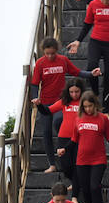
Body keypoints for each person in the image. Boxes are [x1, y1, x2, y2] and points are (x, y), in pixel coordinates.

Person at [31, 37, 83, 174]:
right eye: (47, 53)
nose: (50, 56)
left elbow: (76, 72)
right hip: (46, 101)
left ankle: (66, 153)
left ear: (57, 51)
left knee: (59, 121)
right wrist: (36, 98)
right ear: (43, 52)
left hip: (61, 100)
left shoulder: (63, 60)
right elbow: (35, 83)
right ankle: (52, 164)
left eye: (52, 53)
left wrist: (91, 73)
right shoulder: (40, 63)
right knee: (46, 132)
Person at [53, 78, 86, 198]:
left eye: (77, 92)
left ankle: (76, 185)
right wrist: (39, 104)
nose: (74, 94)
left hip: (80, 137)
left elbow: (97, 114)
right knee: (65, 165)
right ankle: (76, 181)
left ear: (81, 91)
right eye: (71, 92)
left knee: (77, 163)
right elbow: (49, 110)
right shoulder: (64, 102)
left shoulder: (85, 102)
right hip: (64, 137)